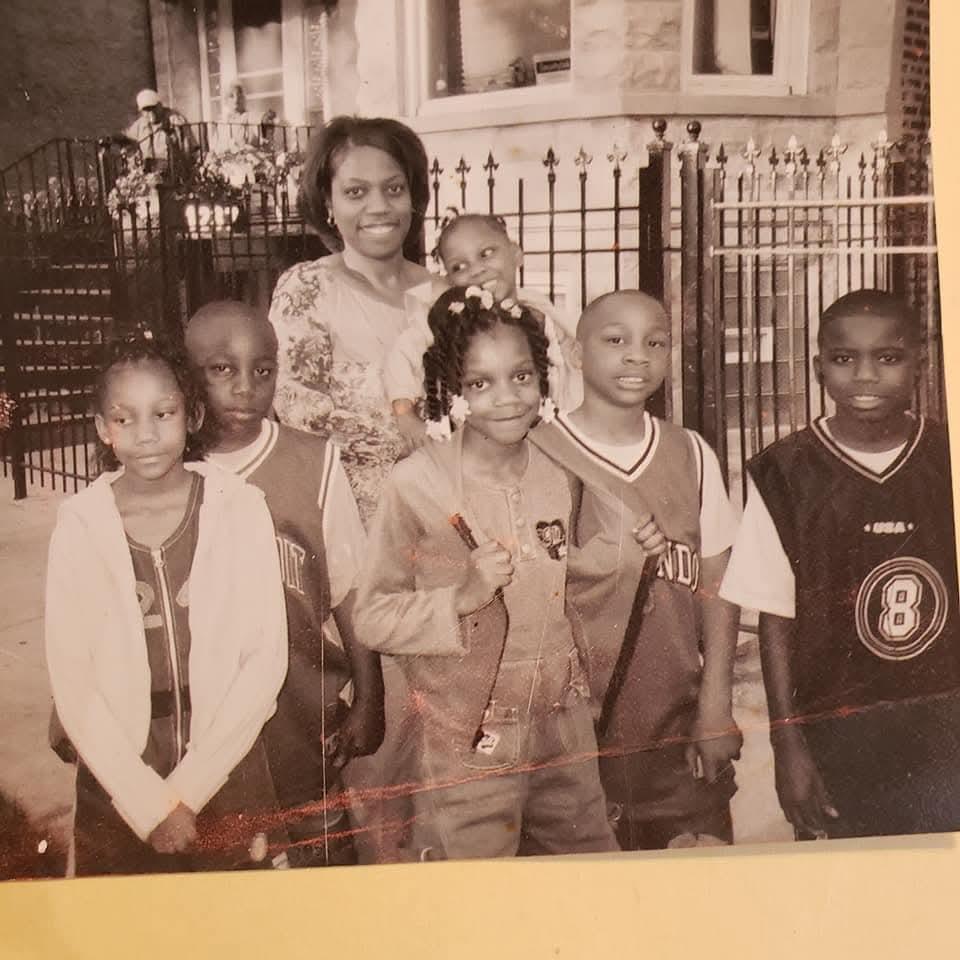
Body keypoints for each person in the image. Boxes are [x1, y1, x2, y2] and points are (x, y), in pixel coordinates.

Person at [355, 286, 650, 861]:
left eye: (521, 376)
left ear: (543, 377)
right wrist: (459, 597)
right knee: (473, 913)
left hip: (564, 729)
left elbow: (581, 580)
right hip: (468, 741)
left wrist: (633, 544)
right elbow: (371, 616)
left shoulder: (563, 470)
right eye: (480, 383)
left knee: (592, 895)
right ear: (452, 390)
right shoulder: (417, 485)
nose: (507, 399)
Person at [44, 334, 289, 876]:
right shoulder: (80, 523)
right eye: (124, 419)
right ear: (102, 427)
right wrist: (148, 804)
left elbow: (263, 659)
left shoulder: (240, 509)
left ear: (192, 413)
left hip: (227, 765)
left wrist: (190, 791)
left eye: (164, 412)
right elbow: (73, 678)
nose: (146, 434)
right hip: (118, 779)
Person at [720, 289, 960, 839]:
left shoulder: (946, 459)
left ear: (921, 364)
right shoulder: (783, 475)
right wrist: (787, 743)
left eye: (889, 357)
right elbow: (776, 621)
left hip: (942, 734)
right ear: (818, 367)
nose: (866, 375)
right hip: (837, 737)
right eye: (844, 358)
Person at [267, 115, 432, 862]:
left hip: (446, 534)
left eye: (394, 189)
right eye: (357, 190)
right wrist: (406, 430)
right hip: (358, 537)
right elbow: (294, 406)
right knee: (381, 736)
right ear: (325, 202)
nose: (379, 207)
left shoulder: (445, 293)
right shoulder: (309, 289)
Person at [530, 290, 743, 850]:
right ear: (575, 354)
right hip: (566, 730)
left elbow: (717, 585)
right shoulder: (536, 450)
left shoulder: (692, 452)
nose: (636, 356)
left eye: (655, 342)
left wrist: (717, 705)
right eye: (615, 340)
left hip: (672, 724)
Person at [184, 300, 385, 867]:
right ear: (187, 371)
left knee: (322, 857)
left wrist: (370, 696)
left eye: (263, 369)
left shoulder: (314, 461)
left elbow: (349, 588)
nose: (246, 387)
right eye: (222, 369)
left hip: (303, 705)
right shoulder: (163, 468)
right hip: (203, 721)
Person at [384, 212, 582, 452]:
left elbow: (571, 350)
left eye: (486, 254)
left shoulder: (537, 309)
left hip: (543, 428)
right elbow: (402, 354)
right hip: (475, 437)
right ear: (449, 279)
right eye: (459, 267)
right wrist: (405, 415)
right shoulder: (449, 316)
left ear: (516, 253)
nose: (476, 270)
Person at [122, 88, 197, 178]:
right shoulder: (139, 125)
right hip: (149, 174)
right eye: (146, 109)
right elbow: (128, 145)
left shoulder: (175, 119)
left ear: (160, 105)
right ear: (141, 111)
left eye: (153, 108)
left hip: (173, 171)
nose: (151, 112)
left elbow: (189, 150)